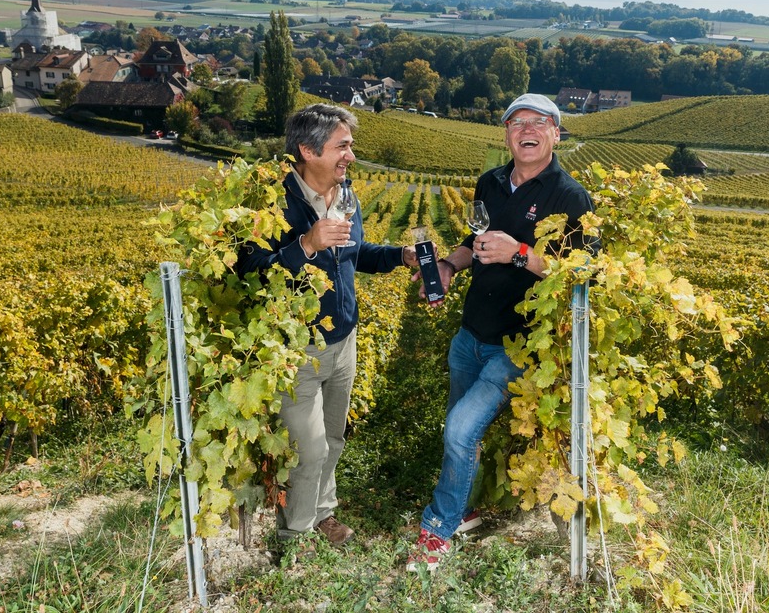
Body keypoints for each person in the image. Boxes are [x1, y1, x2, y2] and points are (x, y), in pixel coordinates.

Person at [407, 93, 594, 573]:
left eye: (538, 122)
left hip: (520, 343)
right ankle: (464, 509)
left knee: (460, 428)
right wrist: (450, 263)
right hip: (471, 332)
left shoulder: (570, 197)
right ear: (506, 133)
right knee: (459, 434)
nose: (525, 130)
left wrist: (519, 253)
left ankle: (439, 527)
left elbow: (584, 273)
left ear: (556, 133)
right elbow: (476, 242)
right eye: (515, 122)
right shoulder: (489, 181)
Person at [240, 103, 417, 558]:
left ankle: (322, 511)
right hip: (296, 348)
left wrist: (400, 256)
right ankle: (294, 538)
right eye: (342, 146)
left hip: (344, 340)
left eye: (350, 146)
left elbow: (357, 253)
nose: (350, 156)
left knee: (334, 438)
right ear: (307, 150)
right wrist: (305, 244)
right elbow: (250, 272)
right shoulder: (272, 202)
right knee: (309, 449)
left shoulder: (345, 195)